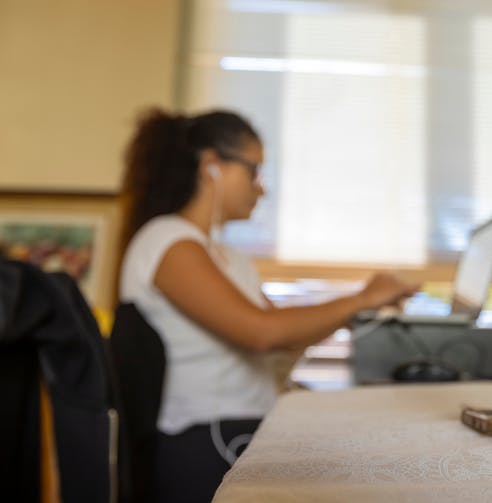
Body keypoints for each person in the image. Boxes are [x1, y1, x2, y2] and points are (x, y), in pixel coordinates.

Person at [118, 108, 417, 502]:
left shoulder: (227, 257)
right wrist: (360, 298)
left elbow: (282, 335)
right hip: (205, 436)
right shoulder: (168, 240)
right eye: (253, 170)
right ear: (211, 165)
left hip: (239, 427)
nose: (262, 188)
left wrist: (352, 313)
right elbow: (262, 333)